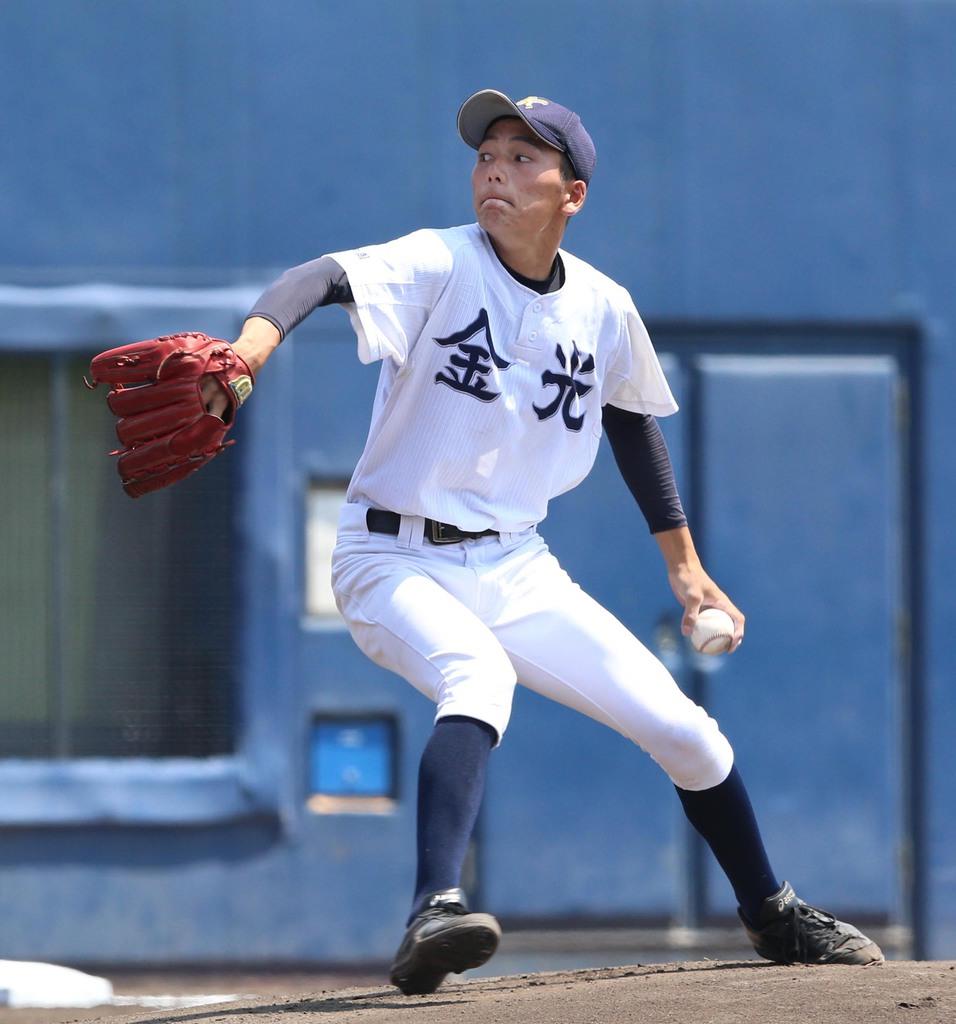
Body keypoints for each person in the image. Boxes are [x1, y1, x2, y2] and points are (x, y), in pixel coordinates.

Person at [209, 90, 883, 994]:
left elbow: (632, 422)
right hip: (392, 555)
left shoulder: (602, 307)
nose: (497, 166)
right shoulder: (439, 261)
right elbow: (320, 277)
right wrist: (249, 350)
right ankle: (430, 912)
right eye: (489, 150)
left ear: (573, 194)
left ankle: (772, 912)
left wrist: (686, 572)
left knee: (686, 731)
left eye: (526, 156)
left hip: (515, 562)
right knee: (476, 676)